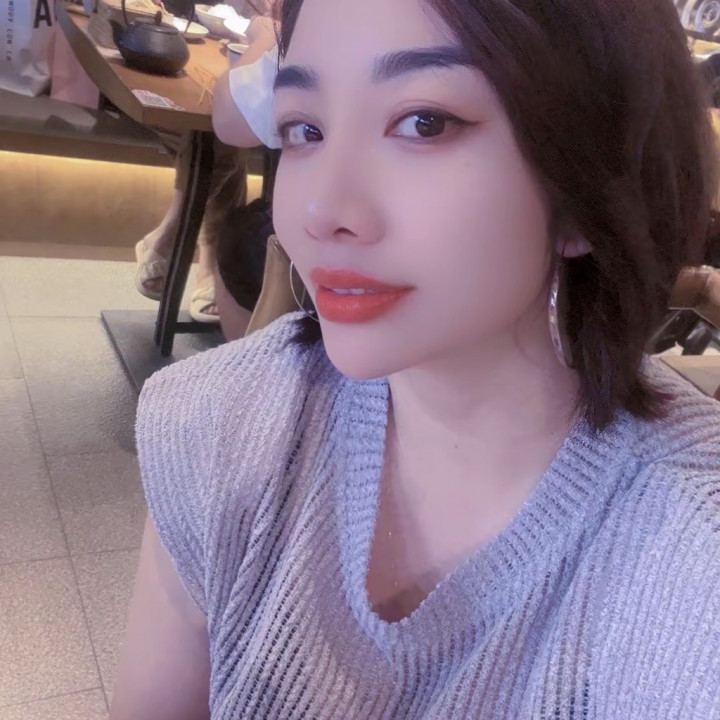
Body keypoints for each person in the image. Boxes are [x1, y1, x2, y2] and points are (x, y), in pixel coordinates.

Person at [111, 0, 720, 717]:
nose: (322, 210)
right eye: (304, 130)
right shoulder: (221, 420)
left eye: (424, 123)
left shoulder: (686, 553)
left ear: (586, 189)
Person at [134, 0, 275, 322]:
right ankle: (204, 256)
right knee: (220, 137)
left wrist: (265, 28)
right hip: (141, 62)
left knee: (220, 134)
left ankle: (170, 235)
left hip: (222, 72)